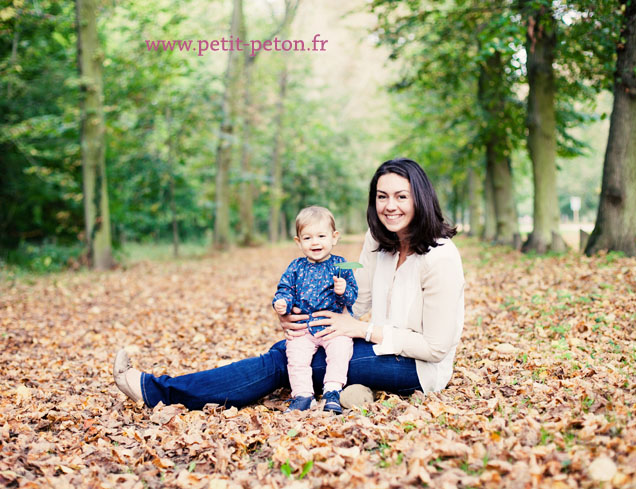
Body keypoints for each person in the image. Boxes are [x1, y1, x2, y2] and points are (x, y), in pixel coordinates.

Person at [113, 158, 464, 411]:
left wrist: (362, 330)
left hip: (418, 367)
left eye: (401, 196)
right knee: (294, 346)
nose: (390, 206)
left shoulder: (441, 258)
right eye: (382, 196)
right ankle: (165, 389)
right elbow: (356, 302)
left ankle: (159, 392)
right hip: (375, 344)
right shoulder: (378, 239)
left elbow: (436, 347)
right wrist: (303, 318)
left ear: (420, 197)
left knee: (283, 362)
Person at [273, 206, 358, 413]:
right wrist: (281, 303)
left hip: (332, 327)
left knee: (341, 350)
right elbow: (285, 288)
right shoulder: (296, 267)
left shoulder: (340, 264)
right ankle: (303, 395)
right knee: (295, 356)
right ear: (298, 241)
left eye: (321, 236)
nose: (315, 242)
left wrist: (343, 290)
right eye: (308, 238)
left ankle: (332, 391)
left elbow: (353, 295)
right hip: (304, 328)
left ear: (334, 237)